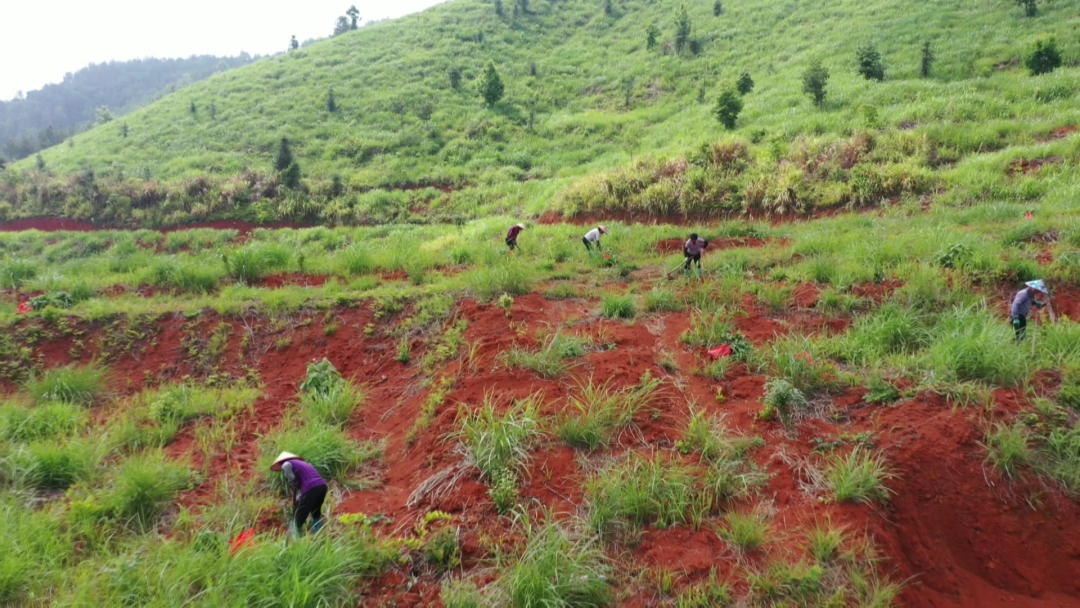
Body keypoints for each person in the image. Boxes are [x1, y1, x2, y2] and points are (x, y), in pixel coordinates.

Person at [271, 452, 328, 536]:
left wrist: (292, 482)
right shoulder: (303, 464)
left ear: (281, 462)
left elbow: (291, 476)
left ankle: (296, 536)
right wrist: (299, 499)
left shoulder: (286, 464)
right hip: (322, 487)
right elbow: (304, 484)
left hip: (311, 488)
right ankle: (317, 534)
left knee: (301, 513)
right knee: (315, 511)